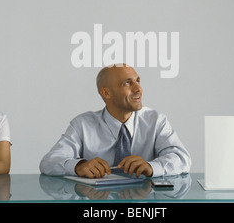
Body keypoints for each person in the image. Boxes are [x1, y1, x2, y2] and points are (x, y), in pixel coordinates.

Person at [39, 64, 191, 178]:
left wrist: (152, 167)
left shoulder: (155, 120)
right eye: (127, 83)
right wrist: (78, 166)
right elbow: (48, 162)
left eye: (138, 81)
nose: (138, 89)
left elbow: (182, 159)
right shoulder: (83, 124)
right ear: (106, 92)